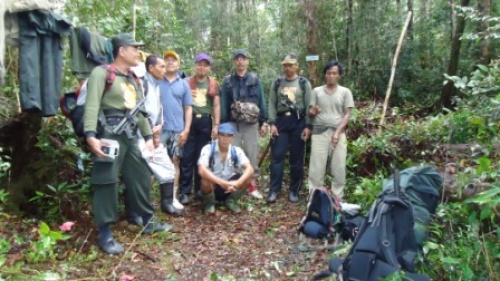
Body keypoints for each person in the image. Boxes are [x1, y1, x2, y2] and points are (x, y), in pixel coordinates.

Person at [84, 33, 171, 255]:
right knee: (107, 180)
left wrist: (149, 137)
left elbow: (140, 111)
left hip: (132, 134)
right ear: (121, 51)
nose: (138, 52)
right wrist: (90, 135)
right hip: (109, 133)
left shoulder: (134, 78)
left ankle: (147, 220)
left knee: (141, 175)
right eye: (134, 48)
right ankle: (105, 233)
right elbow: (92, 105)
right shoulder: (101, 73)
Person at [137, 55, 182, 216]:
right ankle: (141, 209)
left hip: (154, 135)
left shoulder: (156, 85)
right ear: (151, 68)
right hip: (140, 136)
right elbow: (139, 111)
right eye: (161, 66)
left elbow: (158, 110)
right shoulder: (141, 84)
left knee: (168, 167)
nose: (165, 69)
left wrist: (158, 129)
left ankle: (167, 204)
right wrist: (150, 133)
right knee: (143, 172)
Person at [220, 49, 268, 199]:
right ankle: (236, 186)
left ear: (247, 61)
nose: (240, 62)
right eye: (237, 59)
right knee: (232, 155)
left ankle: (252, 186)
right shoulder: (227, 81)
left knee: (251, 154)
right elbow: (223, 104)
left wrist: (264, 122)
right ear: (234, 62)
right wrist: (223, 126)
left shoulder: (255, 79)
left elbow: (261, 101)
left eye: (243, 59)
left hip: (251, 124)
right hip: (233, 124)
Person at [267, 54, 313, 203]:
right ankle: (274, 190)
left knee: (296, 158)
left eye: (291, 65)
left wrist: (308, 125)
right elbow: (272, 104)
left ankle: (294, 190)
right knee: (277, 157)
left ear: (297, 66)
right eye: (285, 65)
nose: (288, 68)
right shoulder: (277, 82)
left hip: (298, 123)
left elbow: (308, 105)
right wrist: (272, 123)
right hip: (281, 122)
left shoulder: (303, 83)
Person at [307, 60, 354, 200]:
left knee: (338, 168)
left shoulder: (345, 92)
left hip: (338, 134)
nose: (331, 76)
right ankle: (314, 198)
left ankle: (337, 199)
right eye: (329, 73)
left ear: (339, 75)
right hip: (319, 133)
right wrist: (313, 112)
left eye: (334, 73)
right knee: (316, 168)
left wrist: (338, 132)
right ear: (325, 75)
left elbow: (347, 114)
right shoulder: (316, 91)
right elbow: (310, 112)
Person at [179, 53, 221, 203]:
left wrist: (216, 125)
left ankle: (198, 189)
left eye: (205, 65)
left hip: (205, 122)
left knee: (201, 156)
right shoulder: (186, 82)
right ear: (195, 65)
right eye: (199, 64)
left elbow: (216, 105)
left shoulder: (213, 83)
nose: (202, 67)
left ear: (209, 67)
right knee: (186, 156)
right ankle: (184, 191)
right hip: (189, 122)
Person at [159, 50, 193, 207]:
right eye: (167, 59)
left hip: (177, 129)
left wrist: (186, 130)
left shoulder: (184, 83)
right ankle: (150, 199)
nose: (170, 62)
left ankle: (172, 197)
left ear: (178, 64)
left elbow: (188, 108)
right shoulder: (156, 81)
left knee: (175, 162)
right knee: (154, 161)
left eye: (174, 59)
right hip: (159, 130)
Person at [198, 123, 254, 213]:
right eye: (222, 135)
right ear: (217, 136)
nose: (225, 138)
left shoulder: (236, 150)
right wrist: (222, 183)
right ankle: (210, 203)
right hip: (214, 185)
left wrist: (237, 183)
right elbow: (201, 170)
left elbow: (249, 169)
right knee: (205, 179)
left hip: (230, 186)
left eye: (228, 136)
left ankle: (231, 201)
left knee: (248, 178)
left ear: (232, 138)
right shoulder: (208, 148)